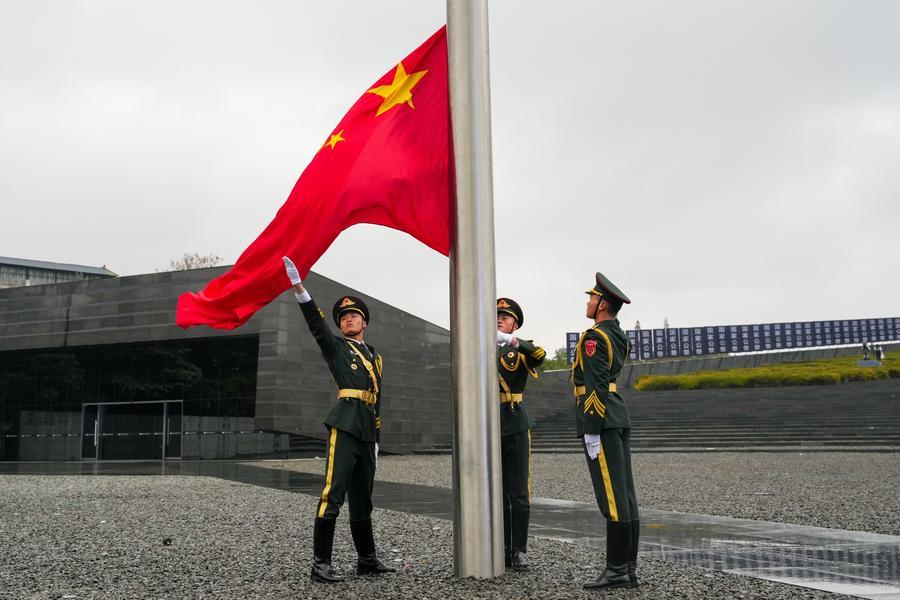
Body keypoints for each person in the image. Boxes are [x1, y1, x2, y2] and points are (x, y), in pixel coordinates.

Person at [283, 256, 395, 584]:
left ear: (365, 322)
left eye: (353, 315)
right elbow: (318, 327)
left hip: (366, 430)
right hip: (345, 424)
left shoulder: (375, 356)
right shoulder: (336, 348)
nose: (348, 319)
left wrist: (376, 436)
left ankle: (367, 559)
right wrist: (300, 289)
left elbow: (377, 399)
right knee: (334, 493)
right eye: (343, 317)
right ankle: (320, 564)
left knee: (363, 497)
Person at [573, 272, 639, 590]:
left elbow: (596, 386)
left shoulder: (594, 337)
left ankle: (616, 572)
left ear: (602, 304)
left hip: (603, 419)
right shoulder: (619, 335)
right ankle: (627, 567)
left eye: (591, 298)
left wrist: (591, 428)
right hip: (617, 415)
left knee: (612, 496)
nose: (587, 302)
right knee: (625, 494)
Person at [495, 297, 546, 571]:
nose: (499, 318)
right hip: (490, 425)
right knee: (498, 491)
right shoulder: (484, 350)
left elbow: (540, 355)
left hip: (514, 421)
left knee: (519, 491)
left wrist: (512, 341)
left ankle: (519, 550)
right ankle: (502, 546)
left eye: (505, 316)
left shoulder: (519, 350)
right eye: (497, 315)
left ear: (515, 324)